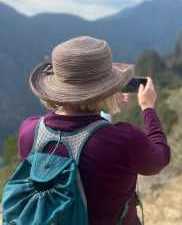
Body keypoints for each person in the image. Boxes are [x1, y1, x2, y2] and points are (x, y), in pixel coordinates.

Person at [17, 36, 171, 225]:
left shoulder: (29, 130)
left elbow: (73, 131)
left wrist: (99, 104)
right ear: (108, 88)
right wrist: (148, 108)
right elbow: (160, 159)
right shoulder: (124, 140)